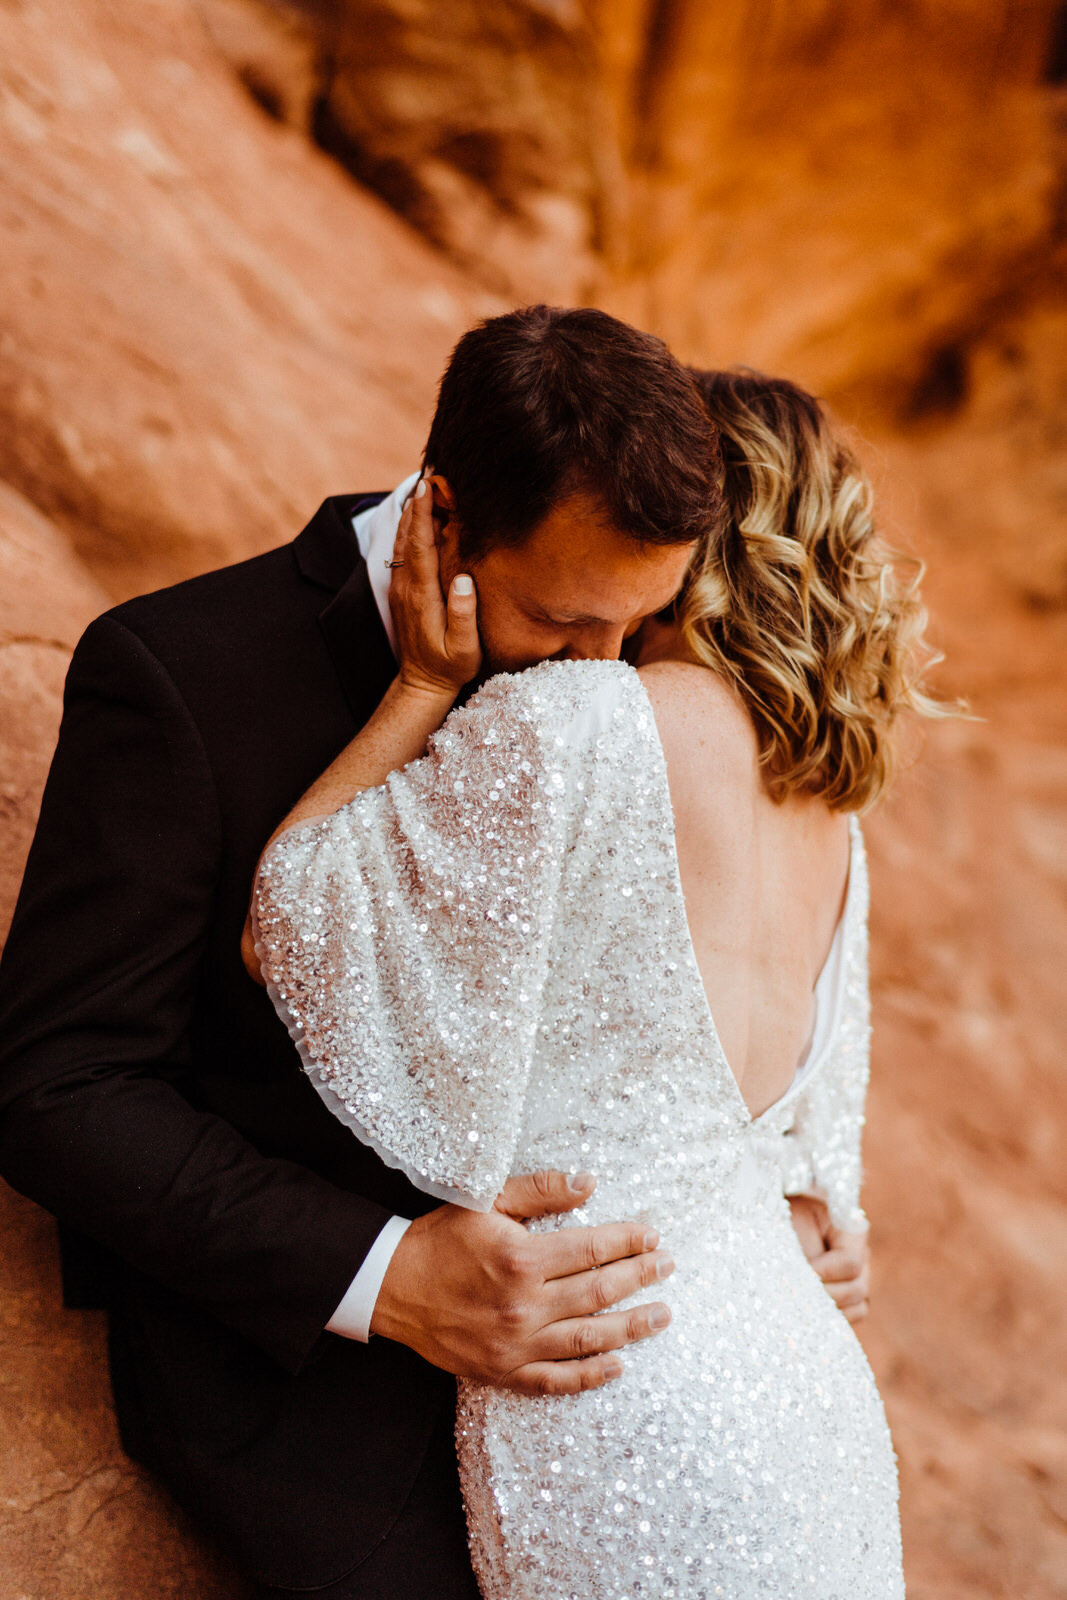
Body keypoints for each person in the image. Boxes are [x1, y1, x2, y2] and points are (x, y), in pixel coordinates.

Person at [0, 305, 866, 1599]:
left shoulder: (636, 699)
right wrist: (389, 1276)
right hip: (326, 1394)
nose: (602, 673)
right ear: (444, 517)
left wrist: (773, 1204)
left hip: (628, 1383)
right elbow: (55, 1085)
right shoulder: (187, 672)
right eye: (563, 623)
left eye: (637, 625)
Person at [247, 364, 943, 1596]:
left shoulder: (586, 721)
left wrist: (419, 686)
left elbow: (294, 918)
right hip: (805, 1399)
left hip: (620, 1374)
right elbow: (806, 1171)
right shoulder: (835, 826)